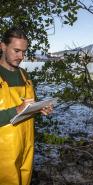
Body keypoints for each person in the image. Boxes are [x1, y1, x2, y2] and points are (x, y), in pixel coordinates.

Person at [0, 27, 52, 185]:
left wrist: (39, 108)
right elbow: (17, 109)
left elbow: (26, 107)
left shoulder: (24, 75)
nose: (21, 56)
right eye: (16, 51)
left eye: (24, 52)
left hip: (26, 148)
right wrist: (17, 110)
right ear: (2, 46)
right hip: (3, 153)